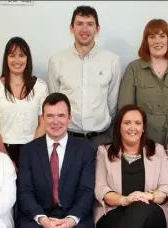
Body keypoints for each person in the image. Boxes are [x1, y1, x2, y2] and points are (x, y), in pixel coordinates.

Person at [117, 19, 168, 209]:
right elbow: (126, 111)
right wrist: (140, 144)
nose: (157, 41)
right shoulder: (134, 69)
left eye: (162, 36)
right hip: (142, 144)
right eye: (152, 36)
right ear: (146, 41)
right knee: (141, 193)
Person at [16, 93, 96, 228]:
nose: (55, 121)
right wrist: (43, 220)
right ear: (42, 118)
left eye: (61, 115)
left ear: (69, 118)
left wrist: (70, 220)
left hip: (74, 214)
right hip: (39, 214)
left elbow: (86, 192)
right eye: (50, 116)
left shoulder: (85, 150)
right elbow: (25, 193)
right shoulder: (28, 151)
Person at [94, 104, 168, 228]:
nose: (133, 128)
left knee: (139, 204)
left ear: (143, 127)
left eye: (137, 123)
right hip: (113, 214)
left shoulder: (157, 151)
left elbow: (167, 189)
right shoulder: (104, 151)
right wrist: (124, 200)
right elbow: (101, 189)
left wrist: (147, 196)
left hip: (151, 218)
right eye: (127, 123)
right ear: (119, 127)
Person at [48, 5, 121, 148]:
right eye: (79, 24)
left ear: (97, 29)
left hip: (101, 140)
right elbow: (55, 102)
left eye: (90, 24)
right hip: (68, 138)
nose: (84, 29)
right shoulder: (56, 61)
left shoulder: (112, 61)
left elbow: (112, 104)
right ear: (71, 28)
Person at [0, 36, 48, 167]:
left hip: (33, 150)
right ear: (6, 59)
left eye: (22, 55)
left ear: (27, 59)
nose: (17, 60)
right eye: (12, 55)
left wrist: (32, 154)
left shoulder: (40, 86)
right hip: (2, 151)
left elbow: (43, 123)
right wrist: (5, 157)